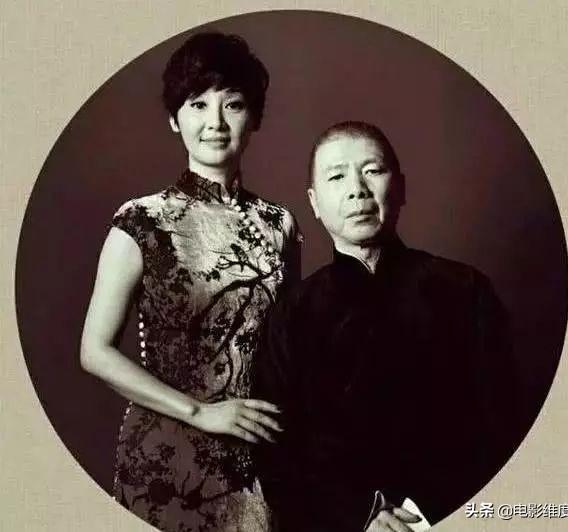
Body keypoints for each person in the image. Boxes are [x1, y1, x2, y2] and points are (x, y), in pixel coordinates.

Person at [80, 32, 301, 532]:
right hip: (167, 459)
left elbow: (289, 349)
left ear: (255, 118)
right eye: (198, 104)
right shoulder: (142, 220)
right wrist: (201, 412)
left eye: (233, 104)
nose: (215, 122)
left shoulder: (280, 224)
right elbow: (94, 351)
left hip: (258, 460)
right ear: (174, 119)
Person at [253, 121, 520, 531]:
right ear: (314, 202)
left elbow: (504, 424)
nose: (357, 190)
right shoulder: (291, 313)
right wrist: (360, 516)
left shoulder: (466, 290)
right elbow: (276, 452)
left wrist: (425, 513)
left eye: (372, 171)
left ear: (401, 188)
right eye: (337, 177)